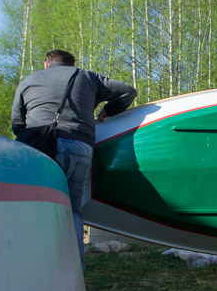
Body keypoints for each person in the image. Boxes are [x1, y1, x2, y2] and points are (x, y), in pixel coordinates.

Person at [12, 49, 137, 264]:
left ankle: (35, 268)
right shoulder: (86, 76)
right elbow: (128, 92)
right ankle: (74, 272)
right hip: (80, 146)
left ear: (46, 64)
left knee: (37, 210)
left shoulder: (29, 80)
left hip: (39, 150)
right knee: (73, 210)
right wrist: (108, 112)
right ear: (71, 64)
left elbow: (17, 123)